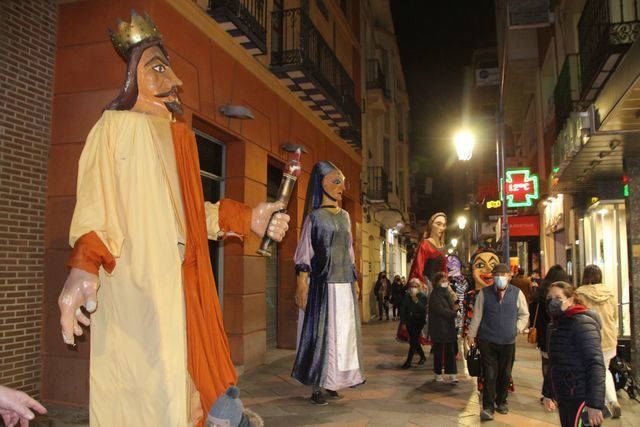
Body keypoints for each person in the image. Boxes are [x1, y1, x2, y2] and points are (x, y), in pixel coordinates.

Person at [56, 12, 291, 426]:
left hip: (187, 290)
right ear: (133, 78)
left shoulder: (178, 136)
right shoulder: (112, 128)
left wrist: (247, 216)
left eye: (169, 68)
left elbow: (191, 214)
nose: (174, 81)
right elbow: (96, 202)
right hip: (140, 292)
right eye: (157, 68)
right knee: (148, 396)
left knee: (191, 389)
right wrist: (82, 268)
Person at [292, 161, 364, 405]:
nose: (341, 187)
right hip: (322, 287)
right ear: (321, 183)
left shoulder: (345, 217)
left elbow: (350, 252)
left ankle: (333, 382)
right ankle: (316, 385)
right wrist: (302, 282)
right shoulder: (314, 218)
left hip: (344, 286)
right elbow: (305, 252)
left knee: (342, 336)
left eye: (343, 182)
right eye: (336, 181)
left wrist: (354, 280)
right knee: (320, 336)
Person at [468, 263, 529, 421]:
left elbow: (524, 314)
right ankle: (488, 407)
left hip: (508, 341)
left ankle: (501, 401)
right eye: (497, 275)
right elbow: (477, 315)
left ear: (509, 276)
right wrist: (471, 335)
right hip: (488, 340)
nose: (500, 278)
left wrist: (516, 328)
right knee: (489, 374)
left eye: (504, 275)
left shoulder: (517, 293)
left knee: (505, 373)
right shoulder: (484, 293)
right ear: (493, 277)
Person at [543, 281, 605, 427]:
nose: (553, 302)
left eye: (558, 297)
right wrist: (548, 393)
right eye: (549, 298)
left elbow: (595, 364)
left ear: (570, 300)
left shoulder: (582, 324)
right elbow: (553, 363)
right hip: (565, 394)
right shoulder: (555, 326)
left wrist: (594, 404)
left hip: (582, 397)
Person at [576, 265, 621, 418]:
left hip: (589, 339)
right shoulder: (609, 293)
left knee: (590, 372)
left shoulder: (580, 294)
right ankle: (613, 401)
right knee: (605, 370)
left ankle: (595, 405)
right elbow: (614, 315)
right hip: (608, 338)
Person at [535, 265, 568, 402]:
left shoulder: (542, 290)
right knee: (561, 363)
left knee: (546, 362)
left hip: (545, 333)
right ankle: (560, 391)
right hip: (564, 333)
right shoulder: (566, 291)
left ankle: (548, 393)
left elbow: (534, 310)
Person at [429, 272, 459, 382]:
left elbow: (453, 304)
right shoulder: (434, 294)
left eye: (446, 280)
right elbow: (440, 310)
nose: (445, 283)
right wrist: (453, 313)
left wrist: (455, 307)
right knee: (438, 351)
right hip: (438, 327)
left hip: (449, 327)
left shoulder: (448, 293)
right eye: (442, 281)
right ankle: (437, 373)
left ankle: (452, 373)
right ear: (436, 283)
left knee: (450, 351)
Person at [408, 212, 448, 288]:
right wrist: (421, 285)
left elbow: (444, 269)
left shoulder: (443, 246)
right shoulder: (425, 244)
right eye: (438, 224)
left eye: (444, 225)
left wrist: (445, 283)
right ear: (431, 225)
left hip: (440, 286)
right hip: (427, 285)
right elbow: (418, 267)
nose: (442, 228)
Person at [400, 278, 428, 369]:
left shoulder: (422, 297)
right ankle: (423, 356)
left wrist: (416, 300)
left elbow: (423, 309)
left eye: (415, 286)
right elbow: (403, 310)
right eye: (412, 286)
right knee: (414, 340)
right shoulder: (406, 296)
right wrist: (403, 322)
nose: (413, 288)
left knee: (413, 341)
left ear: (419, 287)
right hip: (409, 321)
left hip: (418, 321)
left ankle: (408, 362)